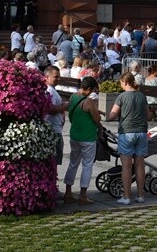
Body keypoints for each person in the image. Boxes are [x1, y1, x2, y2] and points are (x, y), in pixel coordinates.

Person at [107, 71, 149, 205]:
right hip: (142, 133)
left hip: (127, 133)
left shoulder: (122, 96)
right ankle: (141, 195)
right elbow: (148, 116)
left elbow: (112, 115)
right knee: (140, 165)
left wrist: (105, 115)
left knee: (126, 166)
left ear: (125, 82)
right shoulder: (142, 96)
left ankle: (126, 196)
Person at [63, 76, 102, 205]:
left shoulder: (73, 97)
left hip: (74, 135)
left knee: (73, 163)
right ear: (89, 89)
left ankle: (68, 193)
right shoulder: (89, 102)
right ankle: (83, 196)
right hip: (88, 137)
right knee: (87, 165)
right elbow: (97, 119)